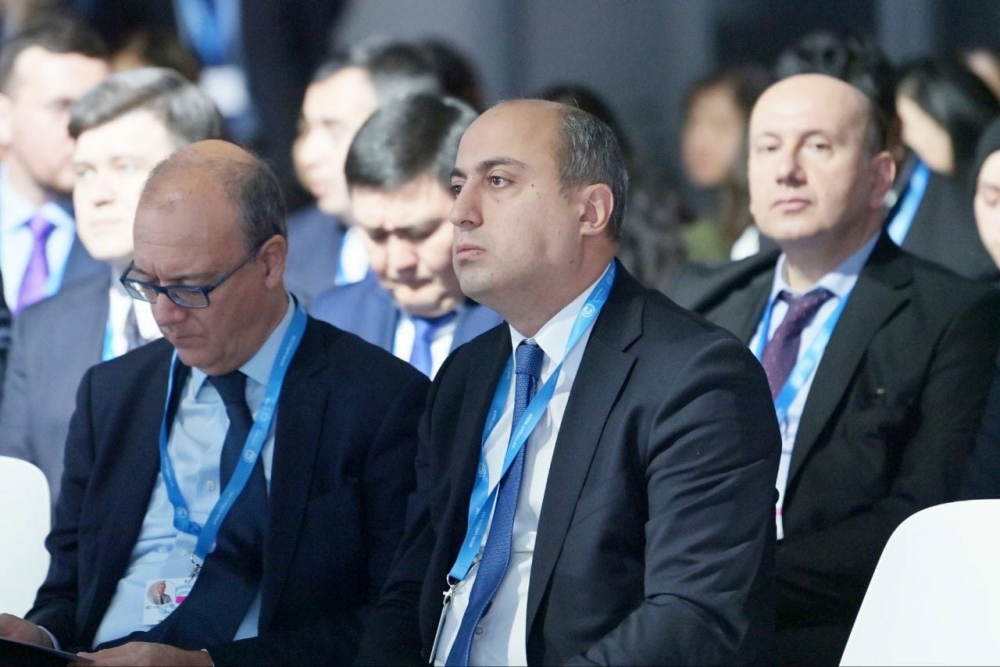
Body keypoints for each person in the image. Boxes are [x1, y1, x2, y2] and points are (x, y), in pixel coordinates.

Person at [357, 100, 781, 665]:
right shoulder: (465, 374)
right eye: (458, 186)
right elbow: (410, 586)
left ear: (590, 211)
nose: (459, 212)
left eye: (498, 181)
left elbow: (692, 616)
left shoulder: (695, 378)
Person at [0, 140, 428, 665]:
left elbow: (391, 621)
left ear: (270, 262)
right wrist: (40, 637)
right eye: (147, 283)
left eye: (189, 287)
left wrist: (206, 665)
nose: (163, 314)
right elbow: (68, 589)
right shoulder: (112, 394)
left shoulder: (377, 399)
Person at [679, 73, 1000, 664]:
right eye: (767, 147)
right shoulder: (701, 303)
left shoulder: (952, 315)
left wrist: (729, 582)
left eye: (818, 146)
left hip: (835, 633)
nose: (787, 170)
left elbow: (919, 517)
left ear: (881, 175)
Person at [0, 67, 224, 507]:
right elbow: (15, 496)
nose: (97, 194)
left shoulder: (255, 316)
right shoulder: (42, 328)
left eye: (124, 166)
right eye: (84, 172)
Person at [310, 94, 501, 378]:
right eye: (376, 235)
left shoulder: (522, 321)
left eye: (419, 233)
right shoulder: (334, 322)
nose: (399, 262)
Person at [287, 41, 441, 308]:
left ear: (401, 129)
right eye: (305, 129)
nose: (308, 155)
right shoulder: (288, 248)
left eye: (333, 130)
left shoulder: (457, 254)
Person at [0, 17, 109, 315]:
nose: (81, 126)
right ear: (4, 116)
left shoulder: (126, 233)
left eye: (96, 108)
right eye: (61, 107)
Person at [893, 57, 1000, 281]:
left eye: (916, 126)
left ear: (948, 114)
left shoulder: (989, 163)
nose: (912, 140)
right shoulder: (933, 184)